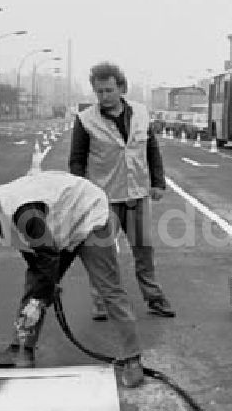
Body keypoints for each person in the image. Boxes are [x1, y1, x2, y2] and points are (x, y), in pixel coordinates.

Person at [0, 170, 145, 387]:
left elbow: (48, 254)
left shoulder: (23, 212)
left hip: (89, 215)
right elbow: (35, 258)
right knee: (35, 284)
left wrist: (41, 298)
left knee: (109, 289)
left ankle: (132, 359)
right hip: (60, 227)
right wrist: (42, 292)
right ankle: (21, 349)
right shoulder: (0, 215)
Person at [68, 62, 174, 320]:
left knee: (144, 250)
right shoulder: (85, 120)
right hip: (102, 199)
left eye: (108, 90)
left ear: (121, 88)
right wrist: (80, 196)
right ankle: (101, 302)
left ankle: (154, 298)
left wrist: (158, 182)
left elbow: (151, 150)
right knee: (102, 254)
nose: (103, 97)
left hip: (136, 195)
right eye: (99, 92)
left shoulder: (140, 113)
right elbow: (77, 160)